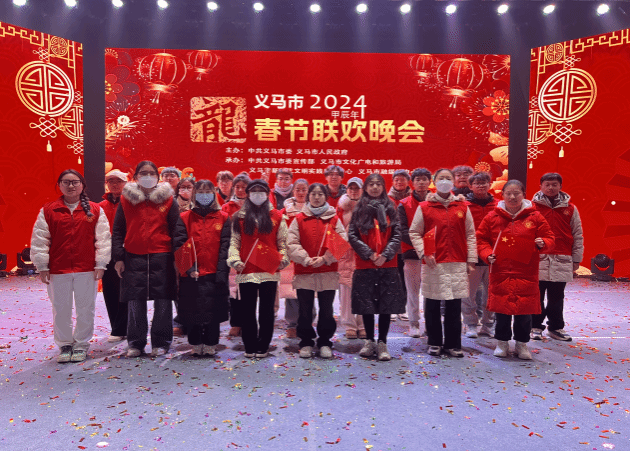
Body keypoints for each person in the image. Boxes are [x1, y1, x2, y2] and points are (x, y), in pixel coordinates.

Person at [31, 169, 111, 363]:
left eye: (75, 182)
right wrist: (42, 266)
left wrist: (101, 263)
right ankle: (65, 345)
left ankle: (81, 344)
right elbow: (39, 240)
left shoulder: (95, 210)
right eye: (66, 182)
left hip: (86, 269)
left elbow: (103, 239)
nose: (71, 186)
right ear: (59, 185)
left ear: (82, 185)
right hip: (58, 269)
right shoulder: (49, 210)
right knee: (60, 309)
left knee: (86, 309)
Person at [112, 161, 187, 357]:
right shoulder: (126, 200)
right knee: (135, 302)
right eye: (143, 173)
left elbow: (177, 230)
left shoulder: (168, 200)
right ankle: (136, 344)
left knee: (163, 302)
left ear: (157, 177)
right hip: (133, 256)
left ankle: (161, 343)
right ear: (136, 177)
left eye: (151, 173)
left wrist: (178, 258)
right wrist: (118, 257)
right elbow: (118, 230)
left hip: (162, 255)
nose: (148, 176)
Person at [476, 180, 554, 360]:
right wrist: (487, 254)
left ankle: (521, 344)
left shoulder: (535, 217)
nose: (512, 197)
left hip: (526, 271)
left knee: (524, 312)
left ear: (523, 194)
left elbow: (549, 237)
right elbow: (481, 240)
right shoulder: (492, 217)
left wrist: (543, 243)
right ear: (502, 194)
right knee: (502, 311)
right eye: (508, 193)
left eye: (516, 193)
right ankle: (502, 342)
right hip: (500, 270)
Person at [409, 168, 477, 358]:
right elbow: (414, 232)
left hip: (457, 262)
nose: (445, 181)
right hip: (433, 262)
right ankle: (434, 342)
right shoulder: (425, 207)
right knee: (432, 304)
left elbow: (470, 234)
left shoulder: (463, 207)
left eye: (448, 178)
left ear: (453, 182)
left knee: (454, 306)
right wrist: (424, 253)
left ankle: (453, 344)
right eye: (441, 178)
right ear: (435, 181)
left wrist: (471, 259)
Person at [227, 179, 289, 358]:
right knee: (247, 310)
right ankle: (249, 344)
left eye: (261, 191)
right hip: (246, 270)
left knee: (267, 310)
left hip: (269, 270)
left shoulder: (277, 216)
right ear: (247, 194)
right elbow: (234, 242)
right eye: (253, 191)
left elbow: (283, 243)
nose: (257, 195)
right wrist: (234, 259)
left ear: (267, 194)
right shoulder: (239, 217)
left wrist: (283, 259)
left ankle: (263, 345)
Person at [348, 173, 405, 361]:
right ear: (365, 188)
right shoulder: (359, 208)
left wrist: (386, 255)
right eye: (371, 184)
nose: (374, 187)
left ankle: (382, 342)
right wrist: (369, 254)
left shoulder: (391, 207)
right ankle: (369, 341)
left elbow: (397, 234)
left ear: (383, 187)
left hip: (387, 264)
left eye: (378, 184)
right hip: (365, 264)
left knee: (385, 305)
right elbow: (352, 235)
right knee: (367, 305)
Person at [288, 183, 347, 359]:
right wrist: (306, 259)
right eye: (313, 194)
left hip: (327, 270)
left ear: (325, 196)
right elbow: (291, 243)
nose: (316, 197)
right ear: (309, 196)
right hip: (304, 270)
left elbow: (342, 241)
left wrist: (325, 259)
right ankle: (306, 342)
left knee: (326, 309)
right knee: (305, 309)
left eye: (320, 194)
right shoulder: (299, 219)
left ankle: (325, 342)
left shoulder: (334, 219)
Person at [177, 180, 231, 356]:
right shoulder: (184, 217)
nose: (204, 195)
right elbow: (179, 243)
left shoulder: (223, 217)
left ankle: (210, 342)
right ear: (194, 194)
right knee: (191, 309)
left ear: (213, 194)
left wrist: (221, 271)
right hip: (192, 273)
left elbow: (225, 247)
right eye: (200, 191)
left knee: (213, 311)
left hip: (214, 272)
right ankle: (195, 342)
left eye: (208, 191)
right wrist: (189, 268)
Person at [531, 172, 583, 342]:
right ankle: (535, 326)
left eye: (554, 184)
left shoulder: (571, 208)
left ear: (560, 186)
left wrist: (576, 258)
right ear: (541, 186)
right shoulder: (531, 207)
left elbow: (577, 234)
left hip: (562, 257)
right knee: (536, 295)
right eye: (547, 184)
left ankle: (555, 327)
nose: (551, 188)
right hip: (538, 257)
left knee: (557, 297)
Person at [462, 171, 497, 338]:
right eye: (477, 183)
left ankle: (488, 324)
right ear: (470, 186)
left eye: (484, 182)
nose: (481, 186)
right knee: (468, 294)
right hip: (471, 256)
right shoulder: (464, 206)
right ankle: (470, 324)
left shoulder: (498, 205)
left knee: (491, 294)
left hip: (493, 257)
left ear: (490, 185)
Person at [397, 168, 431, 338]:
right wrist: (421, 246)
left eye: (424, 179)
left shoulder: (437, 202)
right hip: (411, 253)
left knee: (431, 291)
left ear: (429, 182)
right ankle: (414, 323)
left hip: (434, 254)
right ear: (413, 182)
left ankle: (431, 324)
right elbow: (401, 230)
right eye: (418, 179)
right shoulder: (404, 204)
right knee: (412, 291)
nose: (421, 182)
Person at [98, 169, 128, 342]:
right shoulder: (100, 206)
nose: (115, 184)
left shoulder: (132, 203)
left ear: (126, 183)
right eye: (111, 181)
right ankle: (116, 328)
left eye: (119, 181)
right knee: (110, 290)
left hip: (127, 252)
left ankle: (125, 327)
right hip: (107, 253)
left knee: (126, 290)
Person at [221, 173, 252, 337]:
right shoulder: (227, 207)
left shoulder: (255, 206)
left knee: (249, 289)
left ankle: (248, 321)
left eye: (243, 187)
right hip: (232, 251)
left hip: (251, 252)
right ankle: (236, 322)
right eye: (237, 187)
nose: (240, 190)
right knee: (234, 289)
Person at [279, 178, 309, 339]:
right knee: (291, 290)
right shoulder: (285, 211)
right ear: (293, 191)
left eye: (304, 189)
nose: (301, 192)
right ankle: (292, 324)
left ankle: (307, 321)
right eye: (298, 189)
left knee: (308, 290)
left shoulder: (314, 209)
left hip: (309, 255)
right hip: (291, 256)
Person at [336, 177, 365, 339]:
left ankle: (362, 324)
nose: (353, 191)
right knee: (346, 290)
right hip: (346, 252)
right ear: (346, 190)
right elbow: (335, 228)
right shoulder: (340, 207)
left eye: (357, 188)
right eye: (351, 188)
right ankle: (349, 325)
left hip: (363, 253)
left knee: (363, 289)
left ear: (362, 190)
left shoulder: (368, 206)